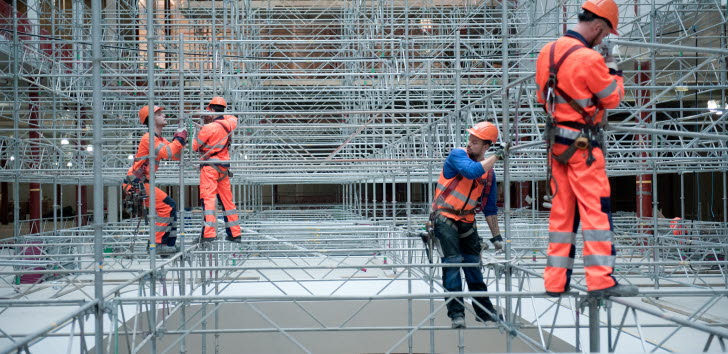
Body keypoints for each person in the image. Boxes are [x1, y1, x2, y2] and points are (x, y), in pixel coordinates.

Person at [535, 0, 637, 297]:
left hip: (557, 145)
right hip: (584, 147)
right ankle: (601, 280)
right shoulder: (589, 59)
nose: (603, 39)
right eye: (604, 33)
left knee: (562, 214)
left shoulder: (546, 52)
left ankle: (555, 283)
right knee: (596, 212)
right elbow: (612, 99)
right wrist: (614, 70)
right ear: (597, 26)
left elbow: (544, 96)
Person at [431, 121, 504, 329]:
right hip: (445, 218)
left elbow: (490, 208)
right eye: (469, 140)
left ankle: (485, 312)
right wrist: (497, 157)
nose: (469, 144)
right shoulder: (457, 155)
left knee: (473, 267)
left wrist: (496, 236)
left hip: (467, 221)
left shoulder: (489, 173)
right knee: (452, 264)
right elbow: (470, 171)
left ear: (486, 146)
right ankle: (456, 314)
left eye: (475, 142)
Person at [124, 105, 188, 255]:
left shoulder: (159, 139)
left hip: (140, 184)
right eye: (159, 114)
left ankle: (167, 244)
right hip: (136, 183)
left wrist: (182, 140)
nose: (164, 115)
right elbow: (167, 152)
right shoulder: (148, 138)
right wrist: (179, 138)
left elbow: (175, 154)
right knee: (167, 206)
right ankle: (157, 243)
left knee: (170, 206)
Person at [192, 97, 242, 244]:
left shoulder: (208, 129)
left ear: (211, 109)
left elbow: (194, 147)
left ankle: (208, 234)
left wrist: (202, 122)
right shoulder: (230, 123)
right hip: (223, 167)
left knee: (209, 200)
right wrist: (214, 115)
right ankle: (235, 233)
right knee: (228, 202)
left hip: (209, 168)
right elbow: (230, 116)